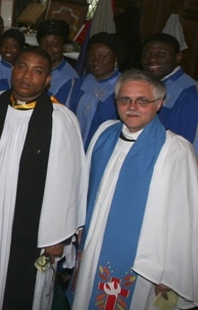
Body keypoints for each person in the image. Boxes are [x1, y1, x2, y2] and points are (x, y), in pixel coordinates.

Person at [0, 46, 87, 310]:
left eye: (37, 71)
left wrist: (57, 236)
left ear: (48, 79)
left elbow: (67, 182)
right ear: (12, 70)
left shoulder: (61, 120)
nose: (27, 76)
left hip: (33, 227)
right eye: (21, 67)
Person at [70, 70, 198, 309]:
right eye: (125, 99)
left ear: (159, 103)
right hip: (94, 239)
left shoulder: (176, 150)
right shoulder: (104, 133)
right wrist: (79, 226)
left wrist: (170, 271)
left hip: (144, 258)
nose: (132, 107)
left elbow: (184, 218)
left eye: (142, 101)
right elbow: (85, 187)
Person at [140, 32, 198, 153]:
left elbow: (182, 142)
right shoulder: (147, 83)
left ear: (178, 57)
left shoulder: (188, 91)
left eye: (161, 54)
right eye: (147, 55)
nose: (152, 59)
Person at [70, 32, 126, 149]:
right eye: (92, 56)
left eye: (103, 57)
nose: (95, 62)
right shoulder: (82, 82)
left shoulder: (123, 88)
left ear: (115, 59)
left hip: (103, 149)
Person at [37, 19, 80, 108]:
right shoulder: (34, 67)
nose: (48, 48)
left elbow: (64, 115)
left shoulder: (70, 80)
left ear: (63, 46)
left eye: (55, 44)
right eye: (44, 43)